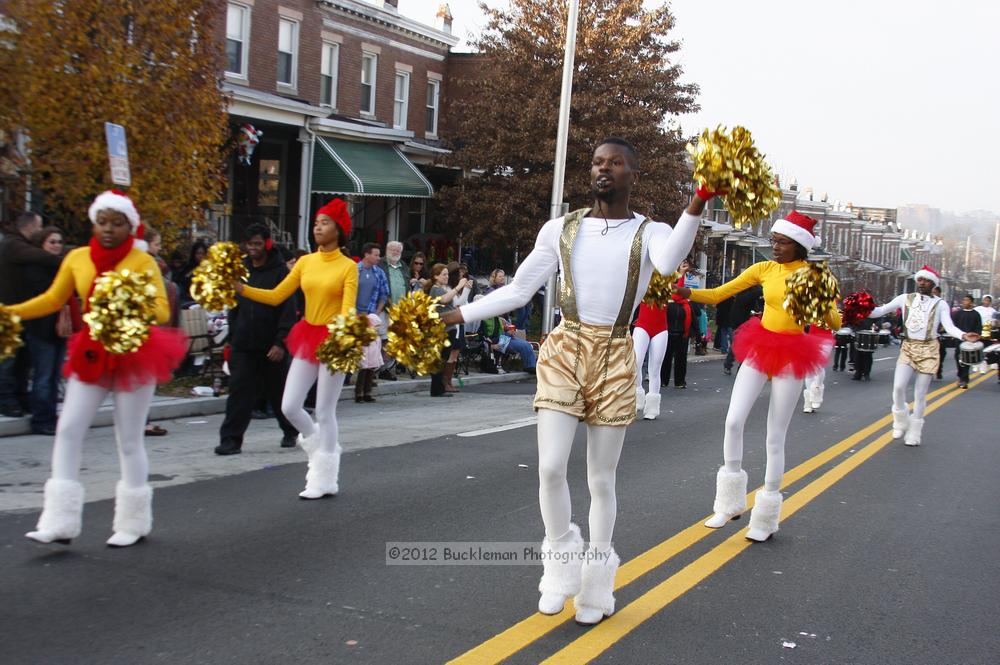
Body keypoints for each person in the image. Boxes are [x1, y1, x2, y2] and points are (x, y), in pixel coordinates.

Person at [442, 137, 704, 625]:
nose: (604, 170)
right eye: (597, 163)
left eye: (616, 163)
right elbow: (520, 290)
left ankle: (597, 585)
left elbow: (668, 264)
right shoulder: (560, 229)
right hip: (564, 348)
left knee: (600, 479)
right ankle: (560, 565)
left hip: (615, 354)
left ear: (633, 174)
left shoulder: (652, 232)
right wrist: (457, 314)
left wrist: (698, 201)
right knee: (550, 468)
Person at [9, 191, 187, 547]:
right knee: (69, 428)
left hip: (133, 353)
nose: (108, 229)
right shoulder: (76, 258)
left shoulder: (141, 261)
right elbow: (52, 299)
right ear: (94, 222)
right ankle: (59, 521)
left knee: (129, 439)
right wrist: (10, 312)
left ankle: (133, 523)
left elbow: (161, 311)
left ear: (130, 226)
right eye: (102, 222)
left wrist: (127, 305)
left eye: (117, 223)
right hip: (91, 352)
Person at [676, 211, 842, 542]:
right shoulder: (764, 269)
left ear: (798, 245)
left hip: (793, 352)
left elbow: (834, 322)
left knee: (774, 436)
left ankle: (765, 518)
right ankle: (729, 502)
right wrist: (686, 294)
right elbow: (718, 294)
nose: (775, 247)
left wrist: (817, 301)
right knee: (733, 421)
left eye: (781, 243)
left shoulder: (817, 276)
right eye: (774, 241)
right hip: (760, 344)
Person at [235, 199, 358, 498]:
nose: (318, 226)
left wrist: (342, 336)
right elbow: (277, 296)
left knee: (326, 411)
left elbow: (347, 309)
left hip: (334, 339)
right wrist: (242, 289)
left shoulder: (348, 267)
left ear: (339, 230)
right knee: (289, 406)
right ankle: (322, 447)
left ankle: (324, 479)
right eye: (316, 221)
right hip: (306, 335)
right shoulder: (305, 262)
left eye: (325, 222)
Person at [867, 265, 977, 446]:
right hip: (908, 347)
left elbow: (949, 327)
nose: (922, 283)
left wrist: (964, 335)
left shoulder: (940, 304)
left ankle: (914, 432)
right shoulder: (905, 298)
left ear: (932, 284)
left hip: (929, 349)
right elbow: (879, 311)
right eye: (920, 280)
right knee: (898, 388)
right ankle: (901, 420)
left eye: (926, 281)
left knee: (920, 393)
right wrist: (860, 306)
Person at [216, 224, 299, 455]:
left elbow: (288, 310)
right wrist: (232, 338)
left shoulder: (280, 272)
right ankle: (230, 440)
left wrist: (281, 342)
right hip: (243, 344)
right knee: (239, 391)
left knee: (278, 392)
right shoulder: (241, 269)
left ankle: (291, 430)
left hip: (271, 345)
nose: (253, 249)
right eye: (249, 244)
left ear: (267, 244)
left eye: (257, 244)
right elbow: (233, 306)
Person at [0, 211, 63, 417]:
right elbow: (41, 256)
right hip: (9, 311)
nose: (40, 231)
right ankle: (6, 400)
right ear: (30, 227)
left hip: (19, 312)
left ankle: (19, 397)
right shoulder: (14, 245)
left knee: (21, 359)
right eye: (39, 227)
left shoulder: (15, 244)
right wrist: (69, 260)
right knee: (9, 359)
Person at [22, 226, 68, 435]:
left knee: (54, 376)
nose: (57, 245)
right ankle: (41, 418)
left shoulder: (61, 266)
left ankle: (50, 414)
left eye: (59, 242)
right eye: (52, 242)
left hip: (58, 329)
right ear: (42, 243)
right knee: (44, 376)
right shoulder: (35, 267)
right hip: (41, 328)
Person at [426, 263, 471, 396]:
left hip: (450, 327)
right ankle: (436, 389)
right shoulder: (436, 289)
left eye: (447, 274)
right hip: (442, 328)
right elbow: (445, 300)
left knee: (444, 358)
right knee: (441, 359)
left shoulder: (444, 288)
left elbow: (456, 302)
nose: (446, 277)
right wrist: (459, 286)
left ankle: (440, 387)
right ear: (435, 276)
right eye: (443, 274)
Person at [354, 243, 389, 402]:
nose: (378, 257)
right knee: (358, 352)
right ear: (366, 255)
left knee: (371, 352)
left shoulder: (379, 273)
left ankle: (367, 390)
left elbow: (384, 293)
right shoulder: (355, 270)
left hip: (371, 316)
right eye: (375, 254)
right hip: (355, 315)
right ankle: (357, 388)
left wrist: (377, 311)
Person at [632, 300, 667, 419]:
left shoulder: (671, 282)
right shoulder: (643, 281)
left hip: (661, 328)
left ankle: (652, 407)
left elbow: (678, 289)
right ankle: (636, 395)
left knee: (655, 368)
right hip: (642, 325)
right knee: (635, 362)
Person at [661, 268, 693, 390]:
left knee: (680, 360)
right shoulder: (669, 303)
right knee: (666, 358)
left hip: (682, 335)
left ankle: (679, 381)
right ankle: (664, 380)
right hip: (669, 333)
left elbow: (692, 320)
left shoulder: (686, 305)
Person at [950, 294, 982, 389]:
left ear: (971, 302)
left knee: (966, 360)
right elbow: (953, 326)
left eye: (967, 300)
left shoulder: (976, 314)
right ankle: (960, 376)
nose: (965, 302)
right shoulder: (958, 313)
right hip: (959, 339)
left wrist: (976, 336)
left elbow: (978, 327)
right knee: (957, 357)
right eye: (964, 300)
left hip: (970, 341)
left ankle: (964, 380)